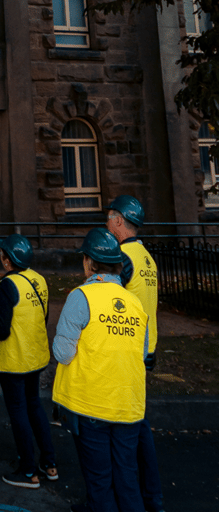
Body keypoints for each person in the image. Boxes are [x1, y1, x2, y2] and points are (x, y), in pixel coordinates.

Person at [53, 228, 149, 512]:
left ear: (89, 262)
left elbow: (63, 352)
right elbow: (140, 354)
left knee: (99, 477)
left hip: (91, 404)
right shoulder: (134, 302)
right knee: (127, 475)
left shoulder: (81, 297)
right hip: (128, 404)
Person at [0, 234, 57, 489]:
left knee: (18, 412)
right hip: (35, 356)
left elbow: (0, 330)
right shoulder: (39, 280)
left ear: (7, 260)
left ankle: (27, 471)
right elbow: (41, 317)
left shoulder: (7, 286)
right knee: (34, 406)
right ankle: (49, 463)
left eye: (2, 253)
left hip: (14, 360)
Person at [105, 195, 164, 512]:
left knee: (123, 434)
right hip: (145, 350)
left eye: (109, 219)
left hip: (125, 354)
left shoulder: (122, 258)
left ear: (117, 220)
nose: (106, 224)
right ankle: (152, 498)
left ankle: (125, 500)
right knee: (139, 427)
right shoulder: (147, 258)